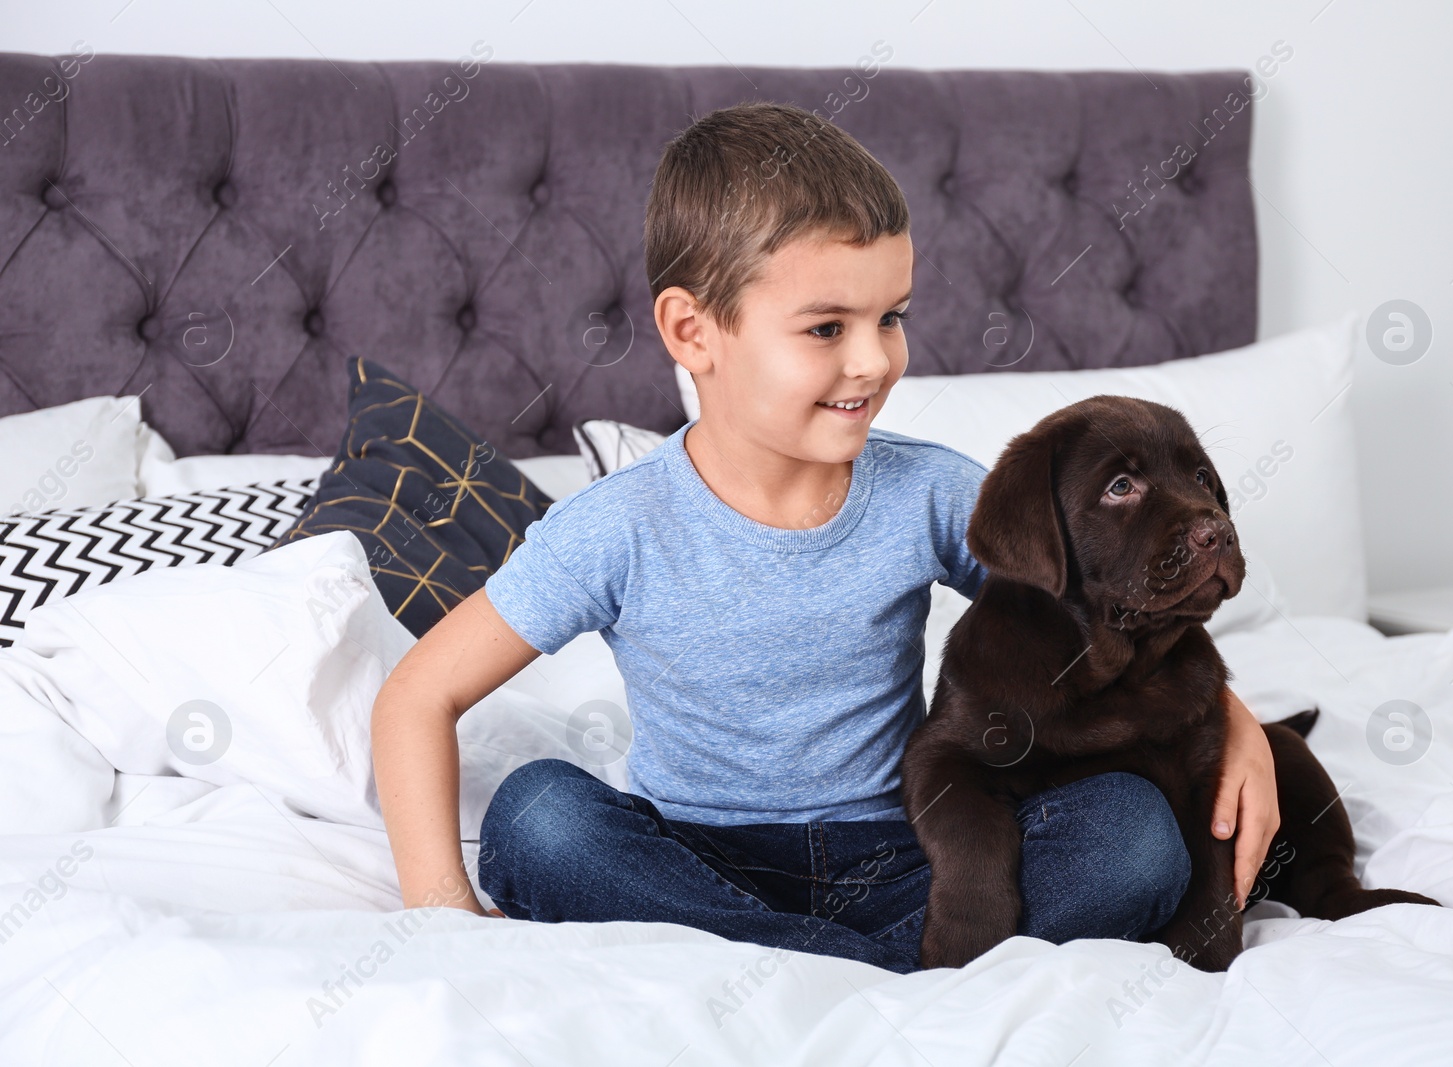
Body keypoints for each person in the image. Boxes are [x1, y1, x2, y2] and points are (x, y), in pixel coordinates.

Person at [369, 101, 1280, 975]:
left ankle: (766, 962)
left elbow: (1103, 609)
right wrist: (439, 907)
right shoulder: (616, 528)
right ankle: (879, 971)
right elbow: (417, 697)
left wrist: (1239, 731)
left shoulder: (927, 490)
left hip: (911, 858)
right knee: (537, 816)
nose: (874, 359)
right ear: (694, 331)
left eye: (892, 317)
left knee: (1131, 834)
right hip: (692, 857)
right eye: (825, 328)